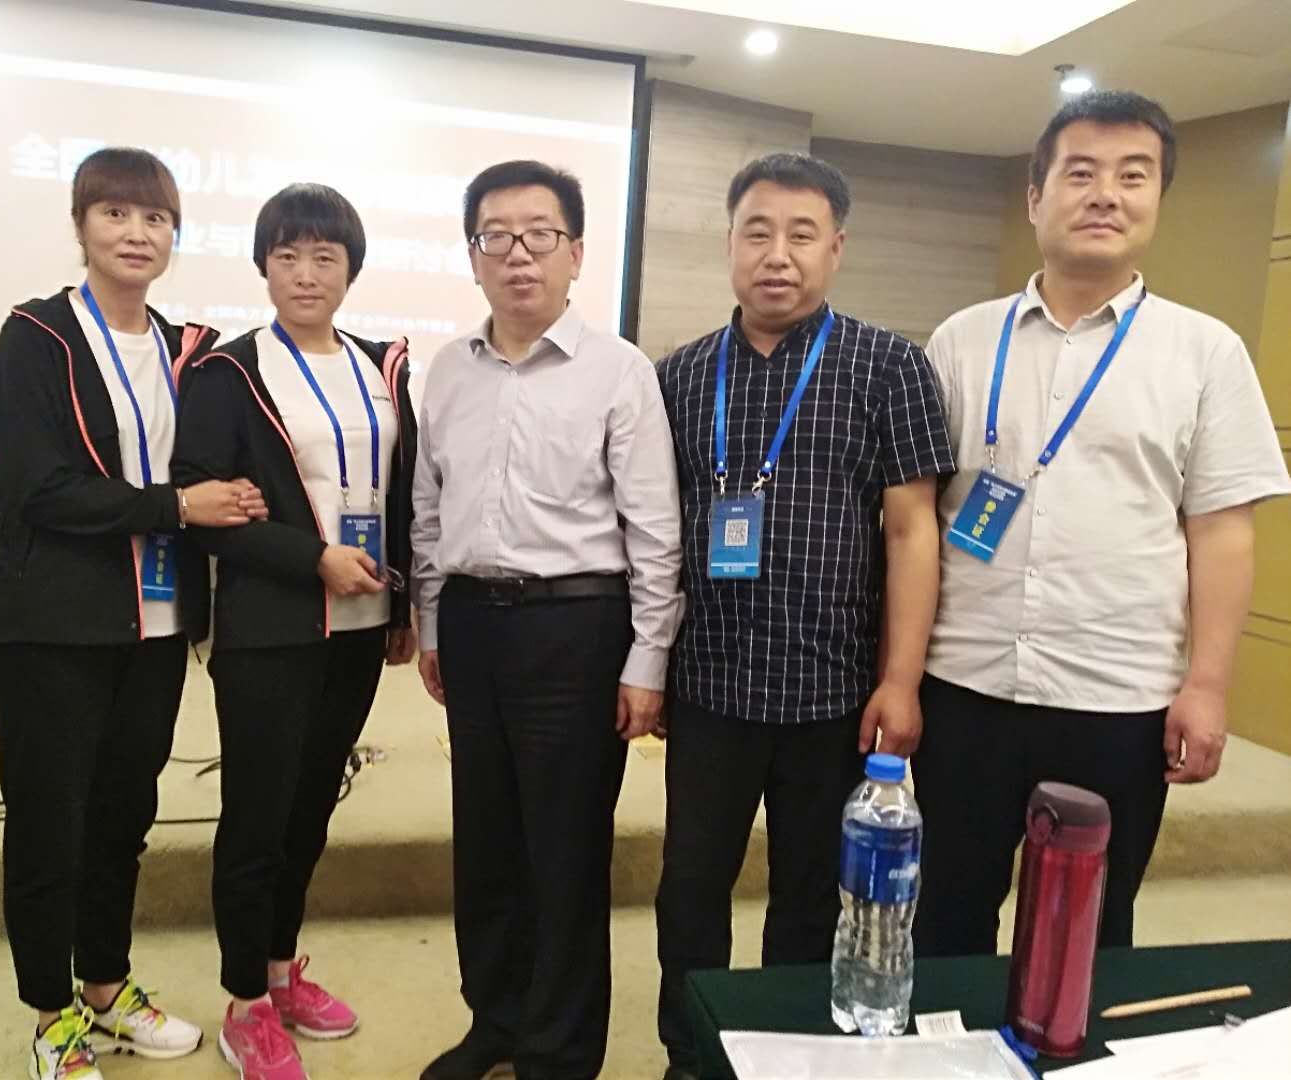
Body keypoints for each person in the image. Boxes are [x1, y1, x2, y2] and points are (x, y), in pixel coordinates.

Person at [914, 90, 1291, 959]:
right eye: (1079, 173)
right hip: (964, 686)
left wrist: (1207, 685)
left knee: (1085, 931)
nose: (1105, 195)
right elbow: (917, 520)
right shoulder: (960, 341)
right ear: (1034, 196)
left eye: (1133, 176)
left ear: (1157, 198)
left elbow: (1222, 534)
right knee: (943, 919)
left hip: (1117, 697)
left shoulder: (1204, 351)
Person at [653, 152, 954, 1080]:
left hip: (832, 691)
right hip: (707, 685)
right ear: (729, 244)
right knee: (688, 890)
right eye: (756, 232)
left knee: (808, 898)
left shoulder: (890, 366)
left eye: (800, 234)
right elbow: (652, 534)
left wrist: (900, 680)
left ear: (835, 248)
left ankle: (784, 1056)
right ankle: (689, 1054)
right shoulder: (679, 374)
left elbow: (911, 531)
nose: (775, 255)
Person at [0, 146, 267, 1080]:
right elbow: (40, 486)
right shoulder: (34, 337)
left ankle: (105, 987)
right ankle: (50, 1014)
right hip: (55, 625)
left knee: (122, 817)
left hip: (156, 623)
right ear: (81, 225)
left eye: (156, 218)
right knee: (49, 822)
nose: (136, 233)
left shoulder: (189, 350)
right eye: (115, 213)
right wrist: (175, 506)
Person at [410, 160, 682, 1080]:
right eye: (496, 236)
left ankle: (558, 1053)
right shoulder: (449, 370)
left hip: (576, 628)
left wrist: (647, 659)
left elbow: (654, 528)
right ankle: (495, 1021)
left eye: (539, 234)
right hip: (472, 624)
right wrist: (432, 625)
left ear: (575, 253)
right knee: (485, 841)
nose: (518, 254)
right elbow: (428, 509)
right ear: (473, 256)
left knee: (564, 849)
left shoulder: (617, 370)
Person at [172, 182, 417, 1080]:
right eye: (287, 256)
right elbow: (203, 508)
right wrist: (311, 558)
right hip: (271, 627)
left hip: (359, 625)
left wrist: (402, 608)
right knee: (258, 816)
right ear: (263, 266)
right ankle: (245, 1003)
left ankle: (280, 970)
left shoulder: (380, 368)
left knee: (312, 806)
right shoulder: (229, 372)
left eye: (324, 257)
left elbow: (402, 493)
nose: (305, 274)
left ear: (351, 269)